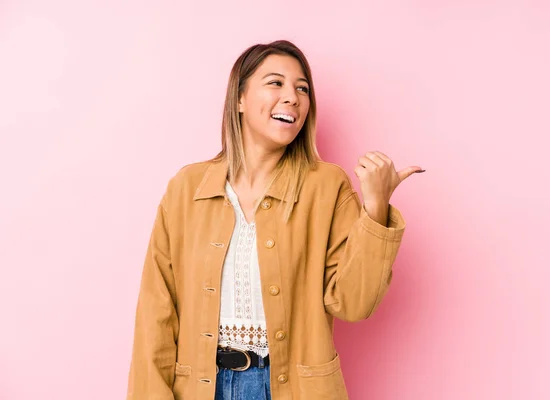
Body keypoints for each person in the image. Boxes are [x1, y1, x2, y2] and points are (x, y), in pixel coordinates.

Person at [126, 40, 424, 400]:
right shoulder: (187, 189)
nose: (293, 97)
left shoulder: (326, 187)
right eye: (275, 83)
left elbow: (354, 303)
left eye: (302, 88)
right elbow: (156, 315)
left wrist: (376, 207)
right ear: (239, 99)